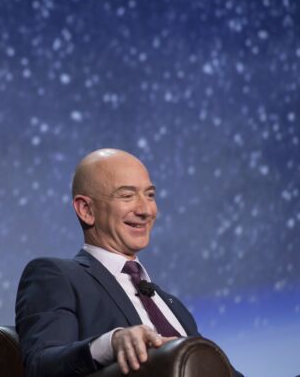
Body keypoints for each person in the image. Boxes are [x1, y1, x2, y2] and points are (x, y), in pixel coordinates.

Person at [15, 148, 240, 376]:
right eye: (127, 195)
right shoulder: (57, 276)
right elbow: (41, 366)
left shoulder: (173, 306)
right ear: (86, 209)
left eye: (150, 195)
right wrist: (112, 343)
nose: (145, 210)